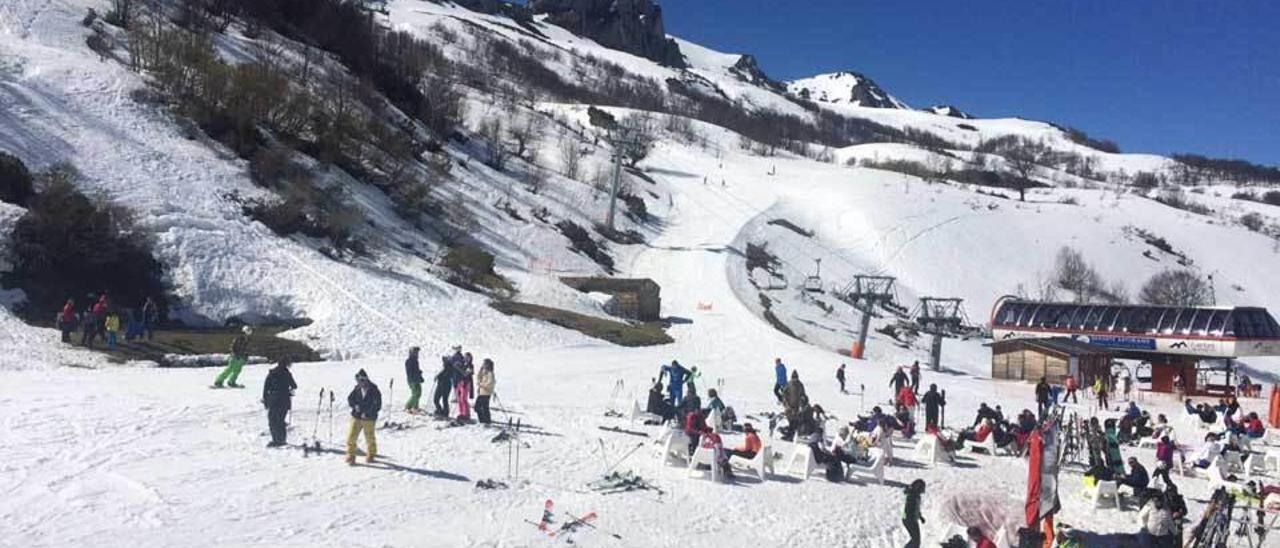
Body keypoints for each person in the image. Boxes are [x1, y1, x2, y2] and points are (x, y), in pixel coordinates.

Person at [346, 369, 381, 465]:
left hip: (368, 418)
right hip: (356, 416)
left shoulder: (374, 390)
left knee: (369, 437)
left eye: (362, 380)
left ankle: (371, 453)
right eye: (358, 380)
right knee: (351, 436)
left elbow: (377, 405)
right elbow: (350, 399)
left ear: (366, 379)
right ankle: (351, 455)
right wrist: (354, 405)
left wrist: (367, 413)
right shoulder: (357, 389)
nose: (360, 382)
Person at [262, 360, 296, 447]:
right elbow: (294, 385)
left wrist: (266, 400)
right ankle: (282, 440)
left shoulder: (272, 373)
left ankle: (276, 440)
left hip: (274, 399)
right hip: (284, 400)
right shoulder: (287, 374)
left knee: (273, 420)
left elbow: (266, 388)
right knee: (280, 420)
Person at [432, 347, 460, 417]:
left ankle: (444, 412)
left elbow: (446, 375)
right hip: (441, 385)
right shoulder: (445, 368)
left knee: (443, 399)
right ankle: (441, 411)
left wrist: (438, 377)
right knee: (437, 399)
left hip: (446, 385)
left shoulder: (450, 368)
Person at [902, 479, 926, 548]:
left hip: (912, 519)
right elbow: (909, 509)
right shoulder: (912, 496)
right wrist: (910, 518)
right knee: (916, 540)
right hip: (909, 520)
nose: (923, 490)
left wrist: (920, 517)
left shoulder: (916, 496)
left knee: (916, 540)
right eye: (922, 488)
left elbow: (916, 509)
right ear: (918, 488)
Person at [454, 353, 474, 421]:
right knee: (459, 399)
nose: (466, 359)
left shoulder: (470, 366)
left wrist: (458, 368)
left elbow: (465, 374)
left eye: (467, 358)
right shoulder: (462, 364)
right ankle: (461, 413)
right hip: (460, 383)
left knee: (463, 399)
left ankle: (466, 414)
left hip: (466, 383)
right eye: (465, 357)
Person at [475, 359, 495, 424]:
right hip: (481, 392)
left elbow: (490, 383)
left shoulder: (490, 373)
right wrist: (480, 371)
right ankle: (483, 421)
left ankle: (486, 421)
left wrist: (481, 384)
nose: (483, 365)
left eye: (484, 364)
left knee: (483, 407)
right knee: (478, 407)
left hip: (486, 393)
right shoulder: (483, 372)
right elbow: (478, 378)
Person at [404, 347, 423, 413]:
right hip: (412, 380)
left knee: (419, 393)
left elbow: (416, 370)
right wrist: (416, 376)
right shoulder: (409, 361)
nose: (417, 354)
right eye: (415, 352)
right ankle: (408, 406)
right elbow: (410, 372)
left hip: (416, 379)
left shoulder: (415, 361)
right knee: (415, 393)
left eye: (417, 352)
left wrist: (419, 375)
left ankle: (415, 406)